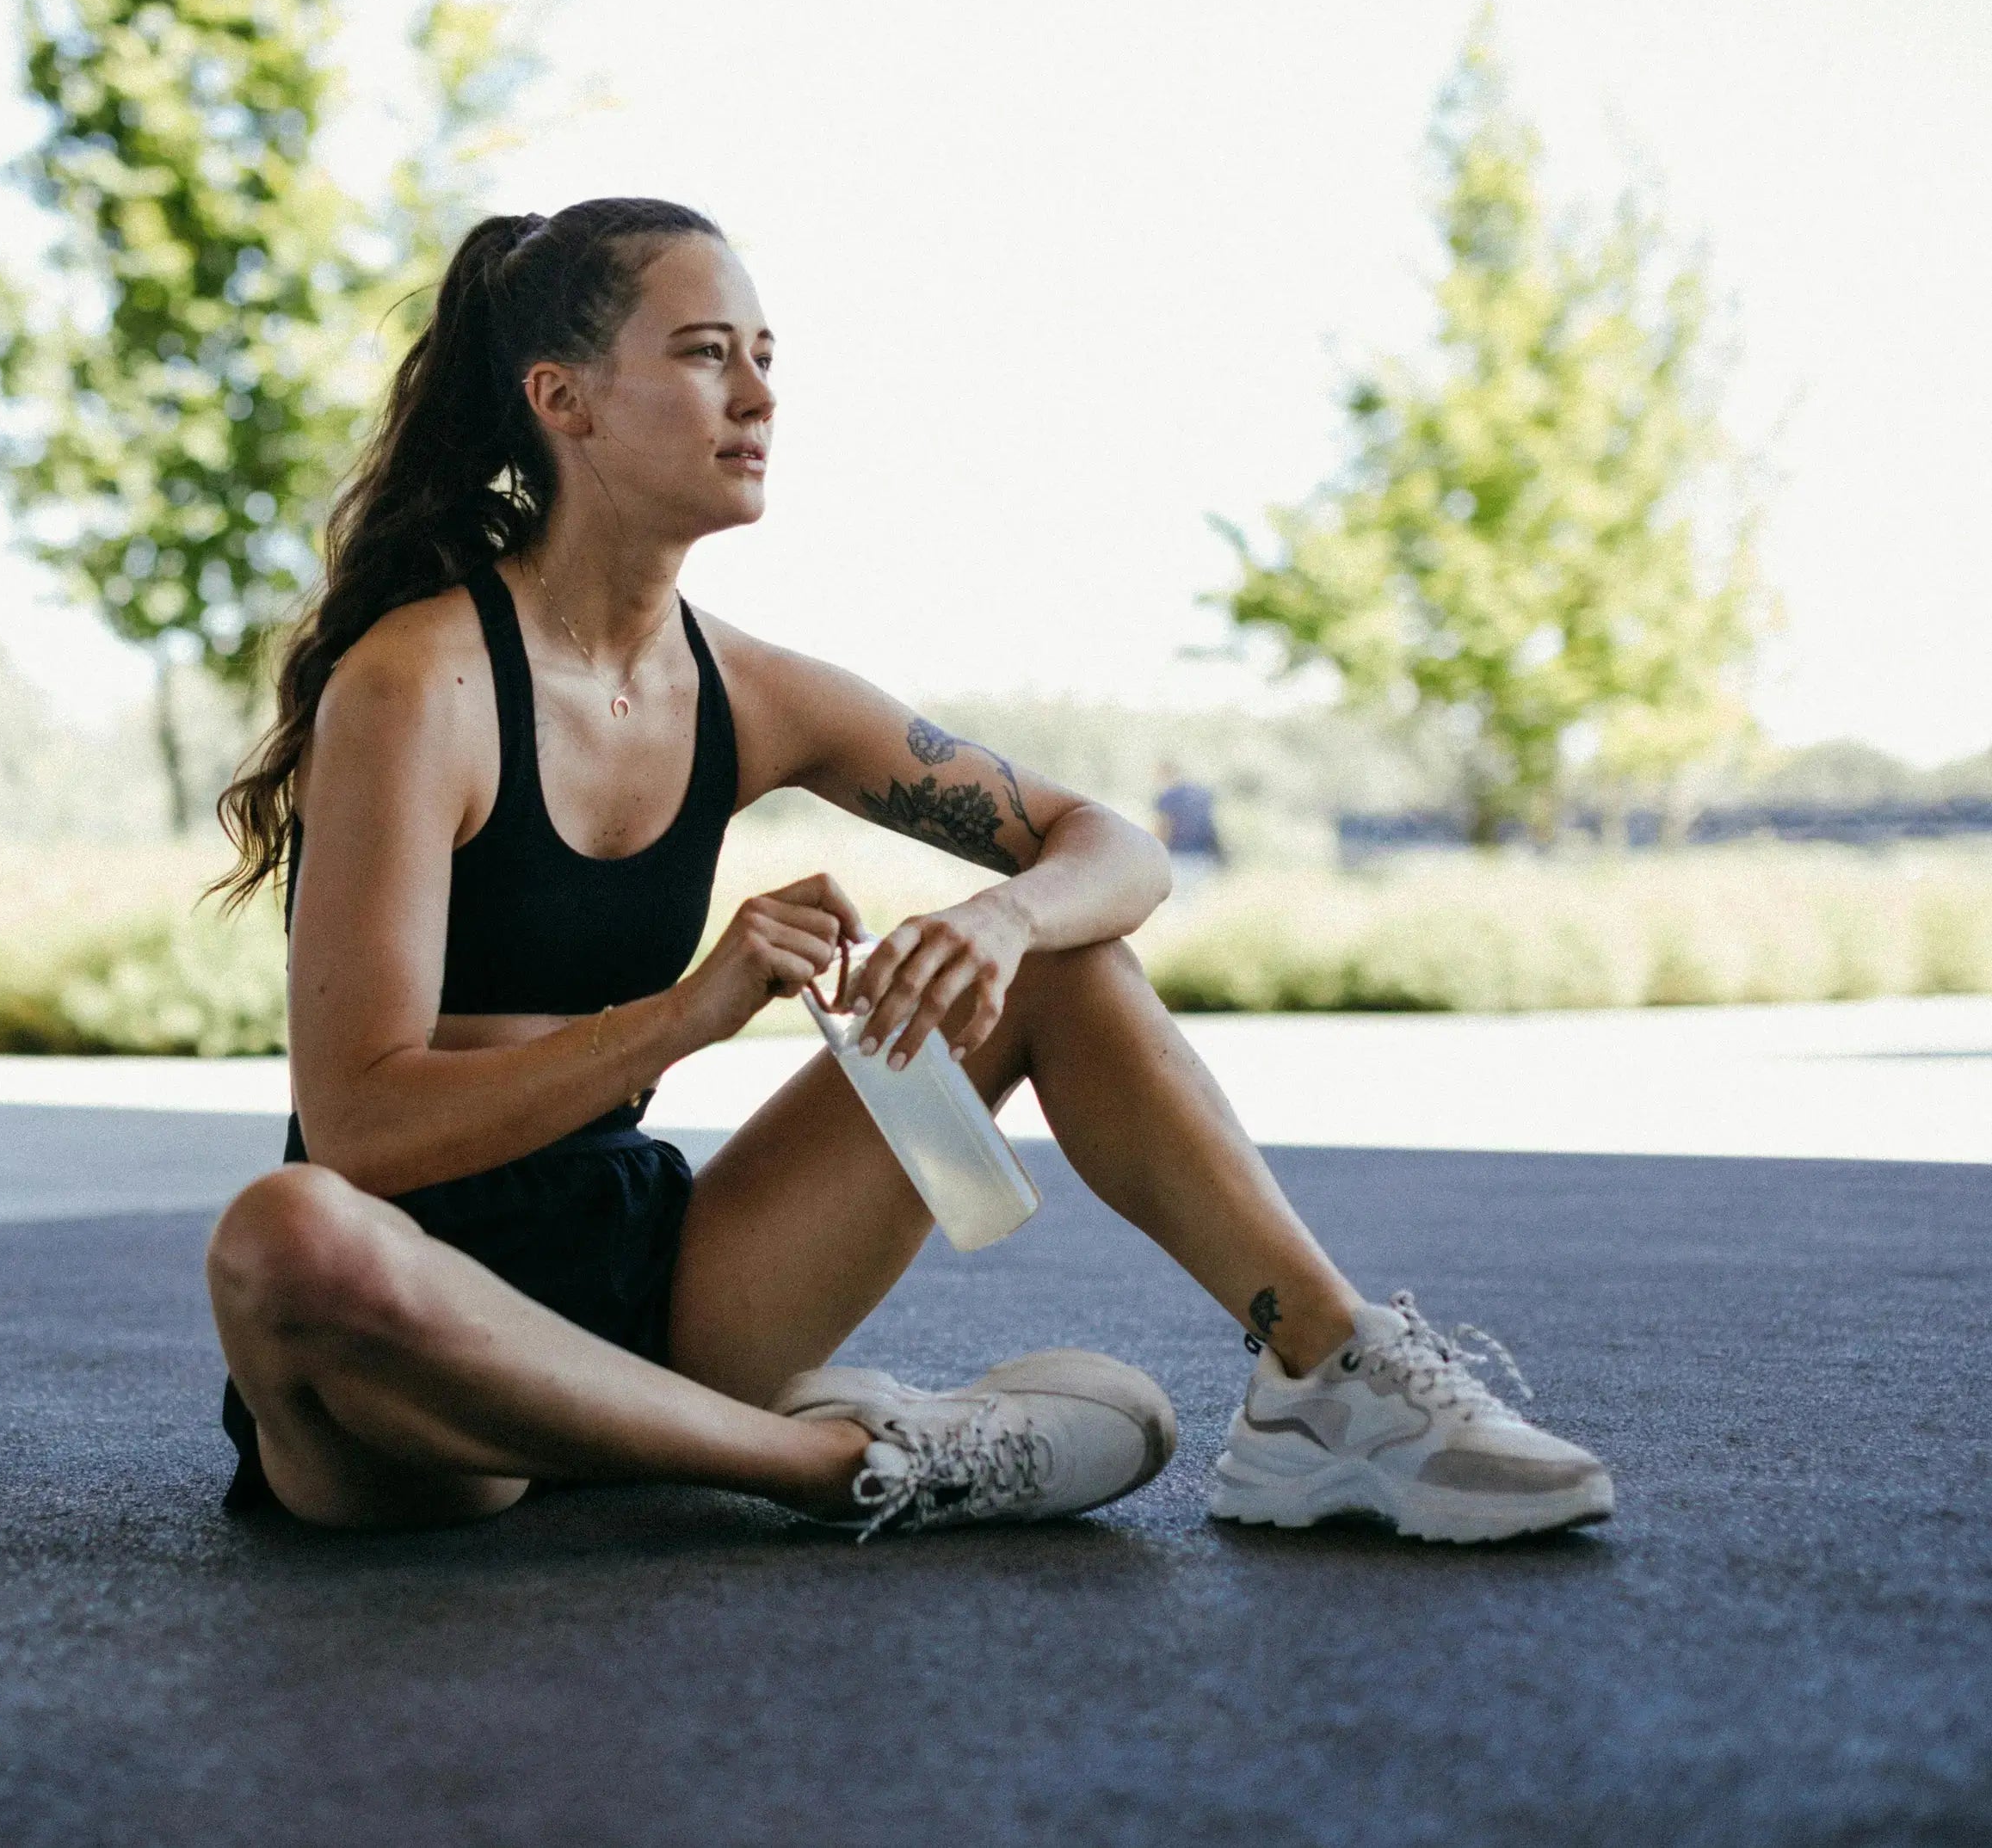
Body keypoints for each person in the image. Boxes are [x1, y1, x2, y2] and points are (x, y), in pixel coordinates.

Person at [203, 199, 1612, 1543]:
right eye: (704, 357)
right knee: (283, 1236)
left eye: (765, 359)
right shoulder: (418, 686)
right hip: (410, 1345)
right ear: (560, 399)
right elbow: (361, 1128)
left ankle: (1325, 1380)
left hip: (659, 1279)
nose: (756, 397)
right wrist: (692, 1015)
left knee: (1059, 954)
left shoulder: (750, 691)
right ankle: (830, 1461)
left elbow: (1110, 845)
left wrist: (999, 921)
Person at [1153, 762, 1224, 895]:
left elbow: (1163, 827)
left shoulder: (1167, 797)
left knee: (1179, 907)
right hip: (1204, 857)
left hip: (1179, 860)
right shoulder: (1201, 794)